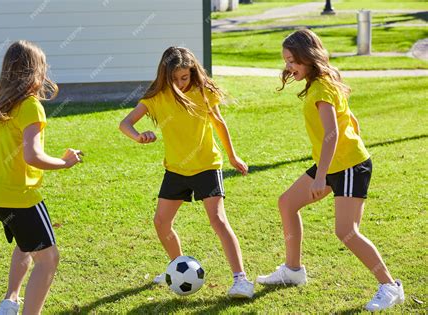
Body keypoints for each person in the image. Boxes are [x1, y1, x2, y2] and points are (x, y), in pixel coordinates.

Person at [256, 29, 404, 311]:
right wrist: (330, 165)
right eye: (286, 61)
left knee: (346, 232)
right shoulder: (322, 82)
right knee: (287, 203)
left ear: (307, 57)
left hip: (347, 165)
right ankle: (293, 270)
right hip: (337, 162)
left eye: (292, 61)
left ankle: (390, 286)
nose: (288, 67)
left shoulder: (322, 88)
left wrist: (322, 175)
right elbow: (351, 120)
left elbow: (332, 133)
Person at [119, 46, 254, 298]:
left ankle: (241, 280)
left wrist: (233, 156)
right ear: (164, 75)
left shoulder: (203, 91)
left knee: (218, 220)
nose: (180, 84)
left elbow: (219, 123)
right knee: (161, 222)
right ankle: (178, 267)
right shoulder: (156, 97)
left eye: (185, 77)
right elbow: (125, 123)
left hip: (206, 165)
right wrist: (138, 136)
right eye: (174, 79)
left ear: (193, 72)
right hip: (176, 169)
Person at [0, 40, 83, 314]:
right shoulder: (29, 105)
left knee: (26, 245)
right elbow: (33, 156)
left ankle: (9, 301)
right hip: (19, 197)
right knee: (48, 259)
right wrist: (65, 161)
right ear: (36, 72)